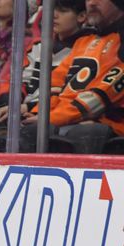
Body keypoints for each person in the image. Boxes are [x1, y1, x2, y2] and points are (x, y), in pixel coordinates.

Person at [19, 0, 124, 153]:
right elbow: (56, 84)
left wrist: (50, 119)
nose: (92, 3)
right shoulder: (84, 41)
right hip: (70, 119)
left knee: (87, 133)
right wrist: (37, 112)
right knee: (28, 131)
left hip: (109, 125)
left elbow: (100, 96)